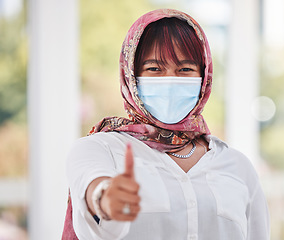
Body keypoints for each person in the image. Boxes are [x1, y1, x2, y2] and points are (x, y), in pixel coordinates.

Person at [62, 8, 270, 240]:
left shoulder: (237, 166)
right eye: (154, 69)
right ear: (131, 75)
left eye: (185, 69)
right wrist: (107, 197)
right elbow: (93, 185)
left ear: (205, 77)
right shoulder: (99, 149)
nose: (170, 80)